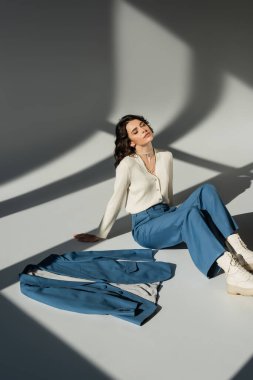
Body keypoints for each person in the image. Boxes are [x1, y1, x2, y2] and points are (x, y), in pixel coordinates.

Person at [74, 114, 253, 296]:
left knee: (206, 190)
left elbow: (167, 196)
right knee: (190, 214)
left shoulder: (166, 157)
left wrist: (178, 217)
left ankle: (241, 252)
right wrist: (100, 233)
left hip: (166, 214)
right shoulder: (127, 165)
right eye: (135, 131)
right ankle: (233, 273)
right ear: (131, 143)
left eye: (143, 125)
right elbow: (116, 199)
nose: (143, 129)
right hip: (145, 227)